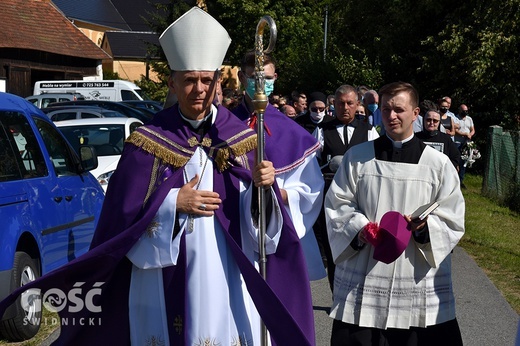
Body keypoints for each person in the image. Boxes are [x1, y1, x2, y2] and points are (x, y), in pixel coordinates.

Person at [0, 7, 316, 346]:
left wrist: (263, 189)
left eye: (206, 80)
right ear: (173, 83)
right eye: (190, 80)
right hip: (160, 278)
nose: (199, 89)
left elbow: (264, 232)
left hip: (227, 276)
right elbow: (119, 218)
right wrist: (172, 203)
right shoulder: (147, 141)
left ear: (217, 83)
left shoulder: (241, 139)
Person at [325, 82, 465, 346]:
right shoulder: (358, 157)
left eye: (399, 109)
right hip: (366, 273)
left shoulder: (437, 164)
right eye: (386, 109)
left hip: (415, 277)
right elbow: (337, 204)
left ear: (415, 114)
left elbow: (452, 215)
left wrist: (425, 230)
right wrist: (359, 228)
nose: (391, 116)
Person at [232, 50, 326, 281]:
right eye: (254, 77)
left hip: (279, 228)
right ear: (242, 78)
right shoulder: (224, 124)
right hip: (234, 227)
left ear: (276, 78)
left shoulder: (292, 131)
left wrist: (279, 194)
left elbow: (311, 190)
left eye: (268, 78)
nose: (262, 84)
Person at [313, 84, 379, 290]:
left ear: (357, 104)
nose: (345, 107)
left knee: (359, 243)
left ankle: (359, 290)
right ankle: (336, 293)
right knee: (334, 246)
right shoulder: (323, 129)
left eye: (350, 103)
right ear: (334, 104)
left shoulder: (369, 132)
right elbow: (312, 163)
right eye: (340, 103)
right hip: (330, 197)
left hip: (360, 198)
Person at [454, 104, 475, 188]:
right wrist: (464, 134)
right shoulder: (455, 118)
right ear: (459, 110)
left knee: (464, 162)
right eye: (463, 111)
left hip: (467, 143)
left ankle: (461, 180)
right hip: (457, 142)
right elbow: (455, 130)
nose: (465, 112)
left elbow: (472, 129)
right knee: (456, 161)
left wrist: (470, 134)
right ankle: (455, 180)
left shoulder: (469, 119)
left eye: (466, 111)